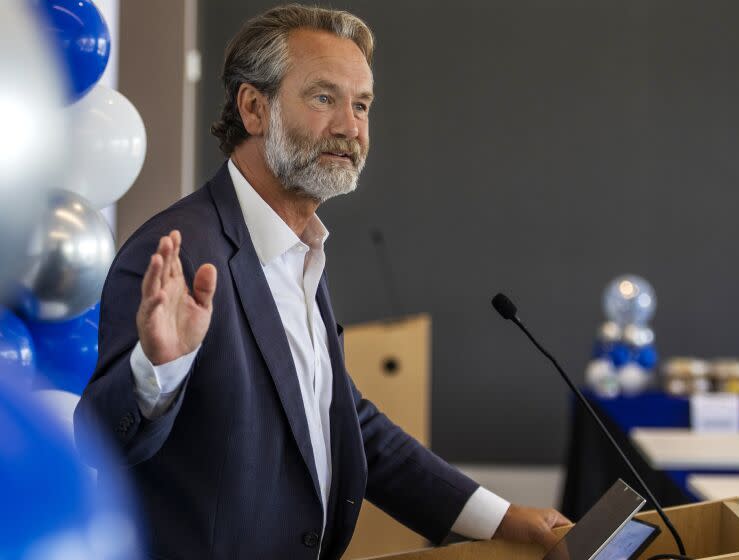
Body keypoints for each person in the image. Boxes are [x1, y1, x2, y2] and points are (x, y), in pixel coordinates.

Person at [74, 5, 570, 559]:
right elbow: (101, 443)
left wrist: (500, 518)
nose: (350, 127)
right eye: (323, 98)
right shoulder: (176, 254)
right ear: (254, 108)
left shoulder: (301, 248)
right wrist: (156, 370)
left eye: (361, 105)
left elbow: (342, 420)